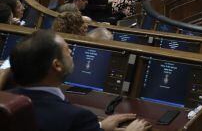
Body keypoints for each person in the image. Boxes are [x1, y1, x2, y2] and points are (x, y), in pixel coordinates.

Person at [9, 31, 151, 131]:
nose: (71, 52)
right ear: (57, 65)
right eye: (67, 49)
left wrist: (99, 127)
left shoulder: (7, 101)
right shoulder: (75, 118)